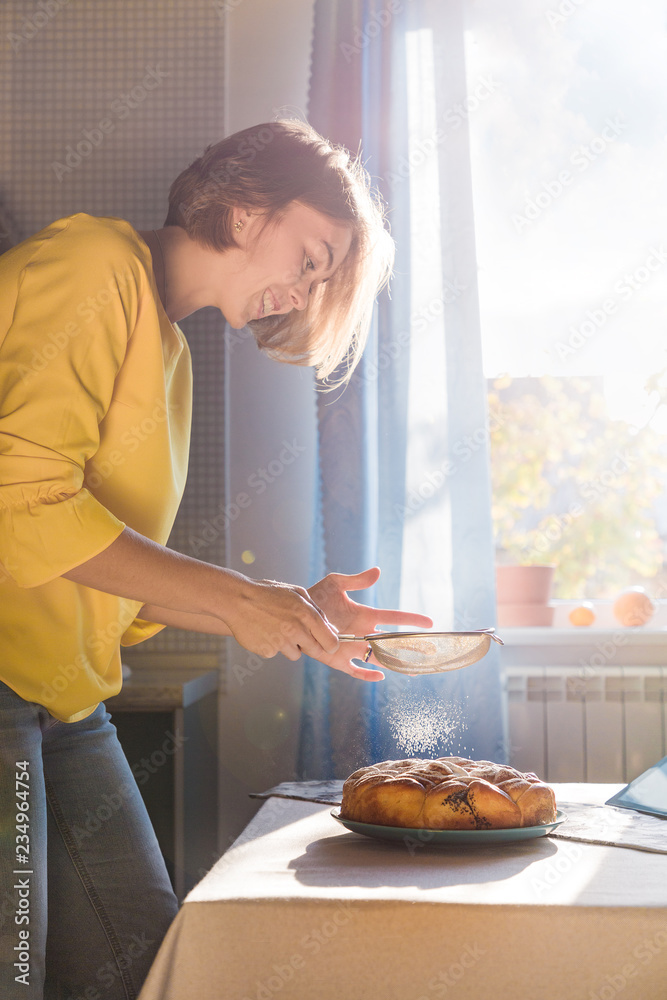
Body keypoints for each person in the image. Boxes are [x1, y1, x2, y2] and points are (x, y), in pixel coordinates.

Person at [0, 119, 432, 998]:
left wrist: (288, 605)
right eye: (311, 257)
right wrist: (238, 598)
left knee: (141, 966)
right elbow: (19, 503)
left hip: (60, 697)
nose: (306, 289)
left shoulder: (170, 350)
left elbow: (111, 580)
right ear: (242, 213)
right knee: (16, 969)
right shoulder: (93, 263)